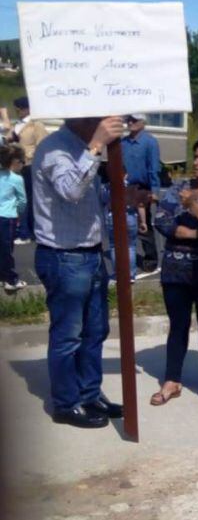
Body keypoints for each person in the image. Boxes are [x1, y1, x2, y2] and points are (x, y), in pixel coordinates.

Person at [33, 115, 126, 428]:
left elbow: (86, 201)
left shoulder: (81, 148)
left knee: (95, 332)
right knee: (68, 336)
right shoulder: (54, 150)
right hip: (64, 256)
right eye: (99, 117)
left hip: (90, 253)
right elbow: (71, 190)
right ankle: (66, 404)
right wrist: (98, 144)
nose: (105, 120)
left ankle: (89, 394)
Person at [151, 137, 198, 404]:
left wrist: (193, 225)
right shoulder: (180, 187)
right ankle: (172, 380)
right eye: (194, 157)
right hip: (175, 270)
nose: (194, 163)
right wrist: (196, 233)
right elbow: (160, 219)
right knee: (178, 325)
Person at [121, 113, 161, 274]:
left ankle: (150, 259)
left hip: (142, 188)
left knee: (143, 225)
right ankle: (126, 257)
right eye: (128, 120)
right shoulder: (123, 142)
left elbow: (154, 168)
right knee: (124, 223)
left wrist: (155, 190)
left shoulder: (150, 142)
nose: (130, 122)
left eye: (134, 120)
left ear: (143, 122)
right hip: (125, 187)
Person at [10, 96, 47, 244]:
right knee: (19, 198)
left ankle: (28, 232)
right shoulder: (18, 124)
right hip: (16, 165)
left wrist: (27, 155)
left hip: (30, 165)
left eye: (19, 108)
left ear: (26, 108)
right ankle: (24, 229)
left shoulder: (36, 124)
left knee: (29, 199)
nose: (17, 111)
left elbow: (42, 145)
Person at [102, 174, 149, 282]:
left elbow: (103, 201)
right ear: (126, 175)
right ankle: (131, 275)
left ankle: (118, 275)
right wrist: (143, 222)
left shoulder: (108, 186)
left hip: (112, 216)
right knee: (131, 246)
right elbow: (140, 205)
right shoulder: (133, 187)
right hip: (130, 215)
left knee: (114, 246)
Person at [0, 144, 27, 291]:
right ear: (14, 162)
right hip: (8, 216)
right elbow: (22, 201)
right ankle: (11, 279)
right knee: (7, 250)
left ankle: (2, 276)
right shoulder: (16, 179)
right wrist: (17, 212)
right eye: (22, 161)